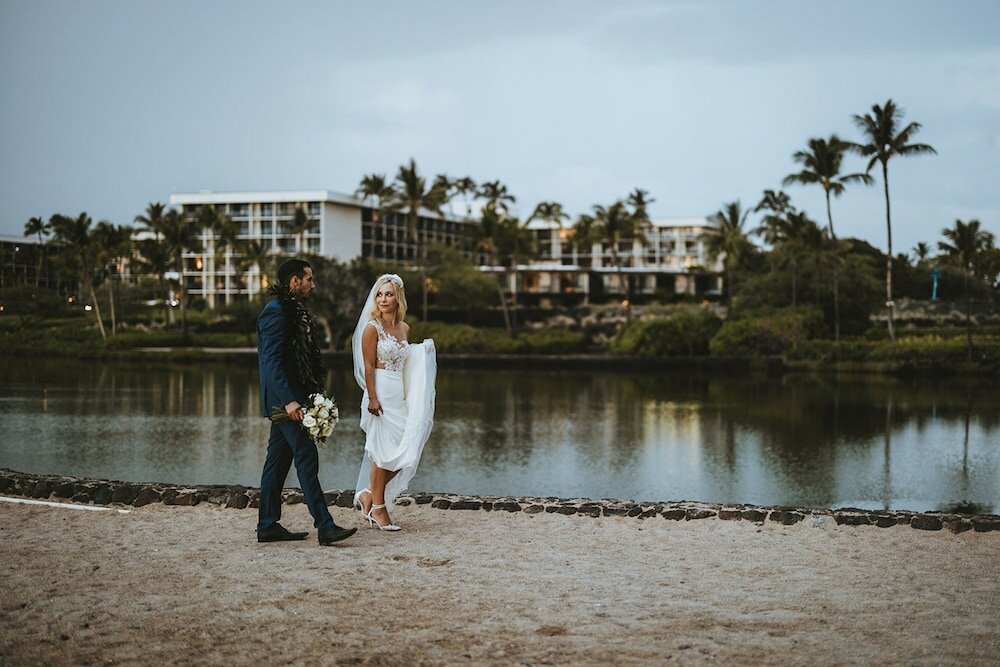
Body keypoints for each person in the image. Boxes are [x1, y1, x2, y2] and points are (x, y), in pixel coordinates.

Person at [256, 259, 357, 546]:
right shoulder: (275, 313)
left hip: (295, 398)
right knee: (306, 455)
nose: (313, 285)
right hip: (284, 402)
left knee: (277, 462)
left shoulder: (294, 311)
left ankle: (267, 525)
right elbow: (271, 361)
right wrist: (289, 401)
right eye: (309, 279)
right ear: (294, 281)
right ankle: (325, 527)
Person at [351, 274, 437, 531]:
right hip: (380, 392)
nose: (383, 299)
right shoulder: (371, 328)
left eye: (388, 294)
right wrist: (373, 397)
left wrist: (424, 352)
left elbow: (407, 361)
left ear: (398, 297)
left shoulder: (404, 328)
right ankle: (379, 508)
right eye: (379, 294)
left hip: (398, 393)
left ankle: (368, 495)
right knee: (382, 453)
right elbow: (368, 366)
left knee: (405, 453)